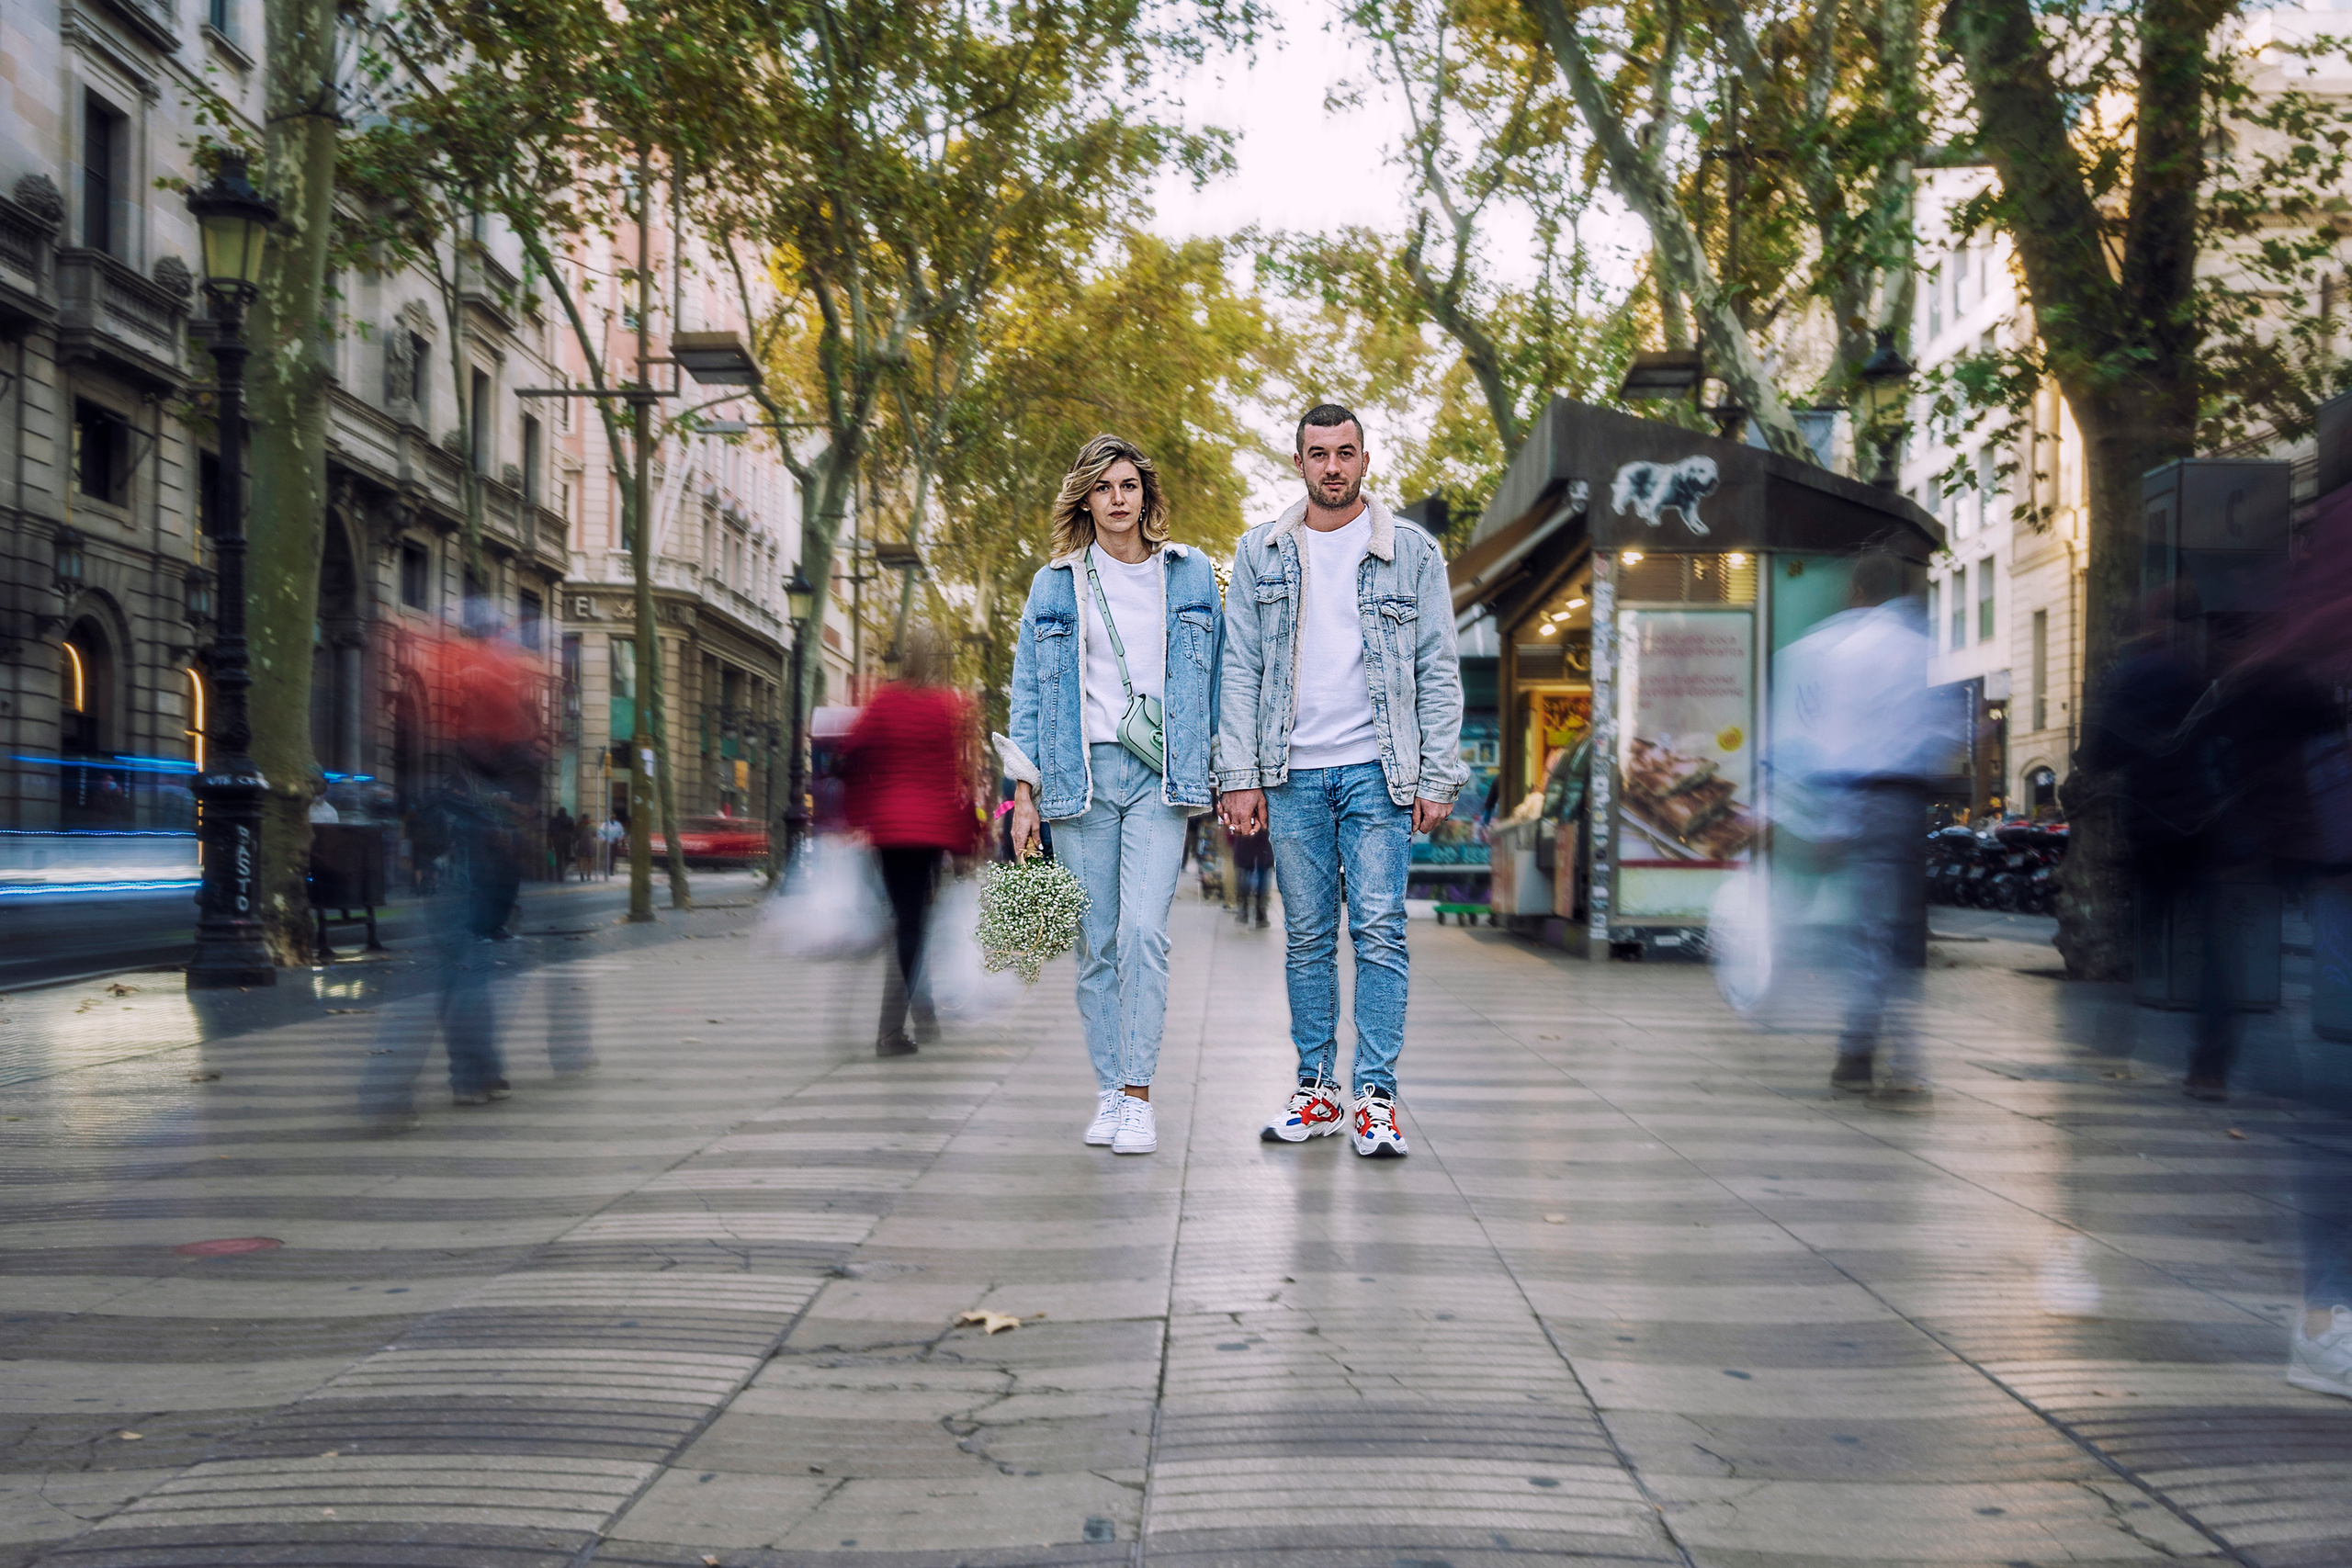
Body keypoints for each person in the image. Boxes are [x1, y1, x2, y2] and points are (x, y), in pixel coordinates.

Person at [1217, 404, 1467, 1159]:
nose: (1333, 466)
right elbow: (1239, 669)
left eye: (1345, 453)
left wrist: (1438, 773)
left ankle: (1377, 1099)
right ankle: (1318, 1088)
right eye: (1319, 453)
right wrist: (1240, 774)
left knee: (1382, 931)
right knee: (1307, 938)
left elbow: (1438, 668)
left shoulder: (1412, 553)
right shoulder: (1260, 553)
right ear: (1299, 462)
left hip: (1377, 772)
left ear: (1366, 460)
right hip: (1291, 773)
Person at [998, 434, 1223, 1156]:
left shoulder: (1189, 576)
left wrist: (1227, 768)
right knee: (1095, 942)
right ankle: (1107, 1089)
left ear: (1145, 495)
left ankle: (1138, 1095)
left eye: (1128, 485)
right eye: (1103, 487)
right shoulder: (1052, 585)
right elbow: (1028, 693)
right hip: (1078, 779)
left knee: (1142, 934)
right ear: (1086, 499)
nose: (1118, 498)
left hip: (1160, 778)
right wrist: (1023, 793)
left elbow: (1216, 680)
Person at [1768, 550, 1957, 1107]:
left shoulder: (1845, 652)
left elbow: (1835, 740)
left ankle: (1859, 1053)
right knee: (1902, 932)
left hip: (1864, 796)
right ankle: (1902, 1060)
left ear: (1857, 592)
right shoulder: (1923, 649)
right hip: (1910, 801)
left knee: (1871, 931)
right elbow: (1945, 735)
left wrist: (1832, 821)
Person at [841, 624, 980, 1057]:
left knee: (909, 920)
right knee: (913, 922)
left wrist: (857, 813)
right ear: (937, 661)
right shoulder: (950, 706)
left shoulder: (883, 700)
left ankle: (920, 1013)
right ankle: (894, 1028)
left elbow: (851, 754)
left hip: (888, 829)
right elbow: (960, 777)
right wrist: (966, 841)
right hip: (930, 832)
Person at [1230, 823, 1272, 927]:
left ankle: (1244, 910)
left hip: (1247, 838)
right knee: (1261, 875)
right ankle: (1260, 912)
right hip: (1262, 839)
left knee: (1245, 874)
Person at [548, 806, 574, 882]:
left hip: (557, 842)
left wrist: (549, 843)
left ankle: (560, 875)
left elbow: (549, 832)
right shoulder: (570, 819)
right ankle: (563, 870)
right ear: (565, 812)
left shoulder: (553, 820)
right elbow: (572, 830)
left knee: (559, 859)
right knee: (567, 858)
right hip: (567, 842)